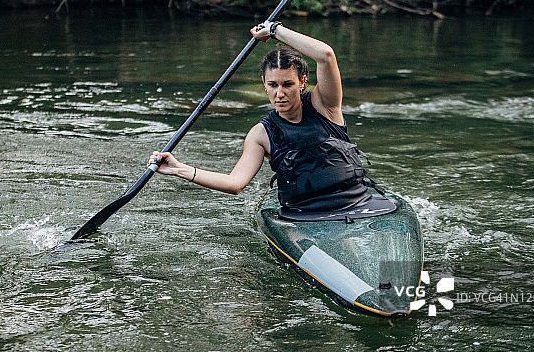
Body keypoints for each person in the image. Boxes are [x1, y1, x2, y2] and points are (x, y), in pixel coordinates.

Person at [150, 21, 375, 213]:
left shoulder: (324, 105)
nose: (280, 93)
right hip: (304, 215)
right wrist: (179, 169)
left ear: (303, 82)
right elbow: (235, 183)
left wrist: (274, 29)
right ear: (264, 85)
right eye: (272, 85)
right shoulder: (261, 134)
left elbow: (326, 56)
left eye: (288, 84)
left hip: (357, 203)